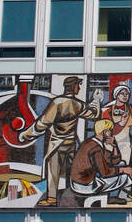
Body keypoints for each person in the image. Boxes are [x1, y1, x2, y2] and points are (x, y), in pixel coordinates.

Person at [16, 75, 104, 204]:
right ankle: (73, 196)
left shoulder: (57, 103)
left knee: (53, 172)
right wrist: (96, 100)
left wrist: (25, 135)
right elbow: (93, 114)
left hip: (56, 144)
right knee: (73, 171)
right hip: (71, 144)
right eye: (77, 86)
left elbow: (42, 123)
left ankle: (52, 199)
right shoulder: (77, 104)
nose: (79, 88)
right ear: (73, 87)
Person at [69, 119, 132, 205]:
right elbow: (105, 172)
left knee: (121, 163)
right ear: (105, 132)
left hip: (82, 181)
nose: (112, 133)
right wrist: (123, 170)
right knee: (125, 177)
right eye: (110, 131)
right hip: (85, 185)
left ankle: (121, 195)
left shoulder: (92, 143)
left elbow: (115, 160)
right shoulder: (96, 149)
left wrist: (114, 146)